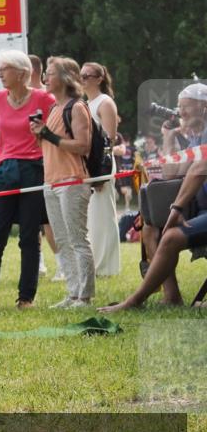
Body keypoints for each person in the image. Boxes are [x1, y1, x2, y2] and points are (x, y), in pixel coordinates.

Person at [0, 50, 56, 310]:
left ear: (21, 72)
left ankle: (26, 297)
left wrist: (44, 135)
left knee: (29, 237)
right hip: (4, 172)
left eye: (4, 69)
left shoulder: (44, 98)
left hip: (33, 170)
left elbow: (58, 127)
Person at [101, 158, 207, 313]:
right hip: (198, 207)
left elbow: (200, 167)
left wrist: (176, 208)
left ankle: (134, 301)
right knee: (150, 228)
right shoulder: (193, 139)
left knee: (171, 237)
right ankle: (172, 297)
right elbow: (174, 174)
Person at [31, 57, 96, 308]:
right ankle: (72, 293)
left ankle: (85, 296)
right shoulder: (54, 109)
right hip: (51, 182)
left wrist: (48, 135)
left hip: (72, 180)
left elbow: (83, 146)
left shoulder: (77, 107)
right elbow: (50, 146)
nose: (45, 78)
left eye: (50, 74)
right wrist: (40, 135)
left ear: (66, 78)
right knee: (62, 239)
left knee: (78, 239)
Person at [80, 62, 121, 277]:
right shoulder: (85, 103)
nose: (83, 78)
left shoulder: (105, 103)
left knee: (103, 213)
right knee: (91, 215)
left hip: (101, 164)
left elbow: (109, 139)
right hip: (86, 165)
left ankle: (106, 266)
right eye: (81, 75)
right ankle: (94, 263)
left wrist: (99, 171)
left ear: (99, 78)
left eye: (88, 75)